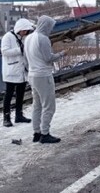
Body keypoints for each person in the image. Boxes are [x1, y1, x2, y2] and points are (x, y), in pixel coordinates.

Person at [25, 15, 64, 144]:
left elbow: (26, 59)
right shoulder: (43, 39)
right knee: (49, 106)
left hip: (32, 75)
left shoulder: (28, 38)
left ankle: (36, 133)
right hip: (43, 75)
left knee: (37, 105)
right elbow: (48, 58)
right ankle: (45, 133)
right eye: (50, 26)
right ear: (46, 25)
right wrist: (61, 54)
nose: (51, 29)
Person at [0, 18, 35, 127]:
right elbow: (4, 52)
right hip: (11, 71)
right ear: (19, 29)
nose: (25, 33)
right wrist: (20, 50)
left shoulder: (23, 37)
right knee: (9, 95)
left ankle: (19, 115)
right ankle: (6, 117)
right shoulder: (8, 37)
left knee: (20, 94)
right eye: (24, 30)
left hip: (21, 70)